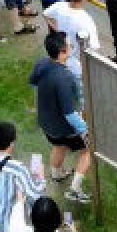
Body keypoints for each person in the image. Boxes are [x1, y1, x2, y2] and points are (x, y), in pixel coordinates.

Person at [30, 32, 91, 202]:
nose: (71, 47)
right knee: (88, 150)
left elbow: (33, 83)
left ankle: (56, 173)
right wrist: (85, 130)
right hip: (65, 128)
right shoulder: (66, 77)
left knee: (59, 146)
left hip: (46, 122)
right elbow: (70, 114)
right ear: (63, 53)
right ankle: (75, 188)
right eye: (69, 46)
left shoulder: (41, 64)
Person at [42, 0, 100, 105]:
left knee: (64, 93)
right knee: (82, 100)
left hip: (61, 61)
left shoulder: (59, 6)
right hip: (78, 66)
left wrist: (56, 29)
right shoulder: (86, 21)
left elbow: (45, 14)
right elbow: (94, 48)